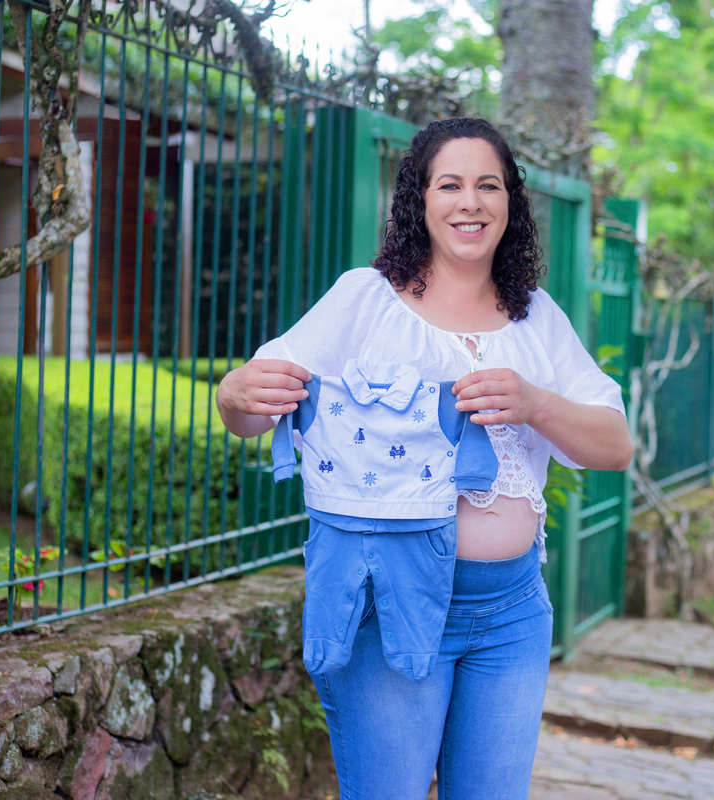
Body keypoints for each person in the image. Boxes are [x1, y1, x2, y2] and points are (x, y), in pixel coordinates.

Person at [216, 117, 633, 800]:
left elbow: (615, 446)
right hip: (390, 600)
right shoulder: (365, 300)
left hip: (512, 612)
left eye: (488, 186)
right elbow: (255, 409)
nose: (470, 202)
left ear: (510, 204)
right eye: (451, 185)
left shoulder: (538, 320)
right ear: (421, 198)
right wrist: (232, 393)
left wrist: (536, 403)